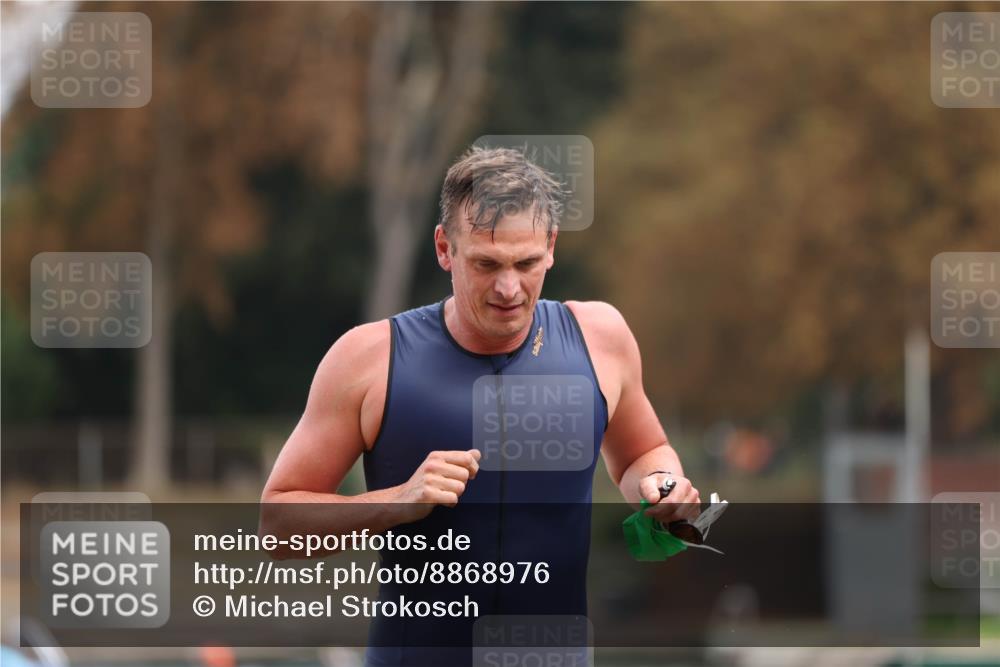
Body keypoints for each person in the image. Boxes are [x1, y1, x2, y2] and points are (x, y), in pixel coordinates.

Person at [261, 146, 700, 666]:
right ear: (445, 249)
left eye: (527, 262)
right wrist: (397, 501)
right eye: (486, 264)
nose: (509, 288)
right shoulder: (368, 359)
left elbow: (642, 452)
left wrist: (665, 489)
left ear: (552, 247)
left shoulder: (600, 337)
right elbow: (277, 527)